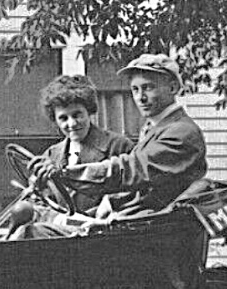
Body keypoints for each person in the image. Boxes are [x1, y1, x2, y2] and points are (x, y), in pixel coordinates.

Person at [71, 54, 207, 216]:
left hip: (164, 225)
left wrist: (70, 174)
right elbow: (141, 190)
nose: (140, 98)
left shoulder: (181, 132)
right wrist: (108, 204)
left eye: (148, 88)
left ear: (172, 88)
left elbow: (133, 170)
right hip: (144, 219)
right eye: (135, 89)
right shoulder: (154, 128)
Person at [26, 75, 133, 214]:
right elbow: (43, 200)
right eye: (63, 118)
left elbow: (133, 195)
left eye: (77, 115)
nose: (71, 123)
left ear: (89, 111)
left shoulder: (119, 146)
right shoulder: (52, 155)